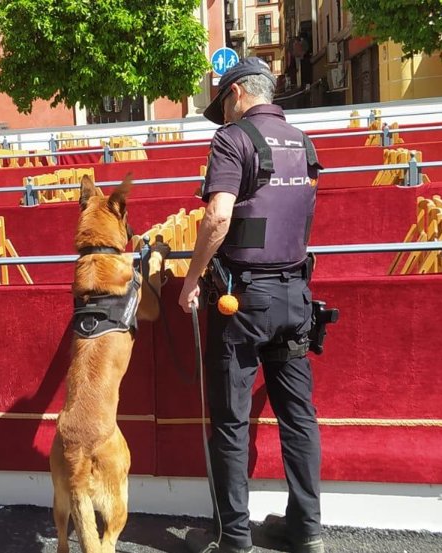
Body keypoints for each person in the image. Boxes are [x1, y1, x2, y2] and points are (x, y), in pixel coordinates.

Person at [177, 58, 325, 553]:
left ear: (237, 93)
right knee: (298, 417)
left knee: (230, 420)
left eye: (222, 105)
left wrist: (192, 278)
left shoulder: (232, 139)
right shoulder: (303, 142)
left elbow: (218, 217)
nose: (222, 116)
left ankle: (233, 537)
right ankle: (306, 530)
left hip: (241, 301)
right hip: (295, 297)